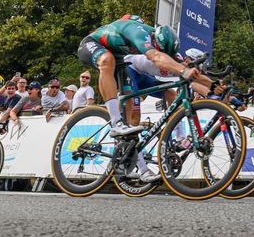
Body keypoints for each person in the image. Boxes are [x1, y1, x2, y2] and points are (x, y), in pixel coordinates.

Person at [77, 16, 200, 183]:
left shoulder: (165, 48)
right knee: (107, 62)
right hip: (94, 45)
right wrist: (183, 71)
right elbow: (156, 57)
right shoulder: (141, 34)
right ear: (156, 42)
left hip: (124, 62)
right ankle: (116, 122)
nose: (165, 56)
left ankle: (143, 169)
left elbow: (194, 76)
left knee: (170, 94)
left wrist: (216, 88)